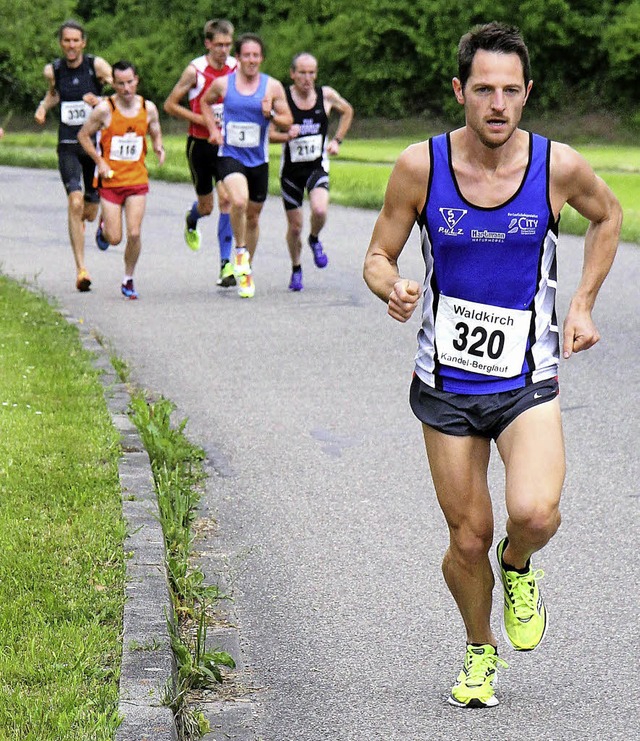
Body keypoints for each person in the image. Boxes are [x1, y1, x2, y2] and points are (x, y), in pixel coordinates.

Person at [363, 22, 621, 709]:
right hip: (446, 383)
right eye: (484, 89)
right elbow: (377, 253)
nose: (498, 103)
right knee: (466, 534)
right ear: (460, 91)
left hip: (527, 376)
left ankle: (520, 562)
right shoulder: (420, 167)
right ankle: (480, 651)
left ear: (527, 93)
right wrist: (391, 285)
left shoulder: (556, 166)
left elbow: (609, 216)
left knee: (534, 511)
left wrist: (584, 304)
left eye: (511, 90)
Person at [201, 33, 292, 298]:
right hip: (230, 155)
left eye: (256, 55)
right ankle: (240, 252)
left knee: (253, 216)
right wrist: (213, 130)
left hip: (258, 160)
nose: (251, 60)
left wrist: (271, 114)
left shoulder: (272, 87)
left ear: (261, 58)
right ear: (237, 58)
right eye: (246, 55)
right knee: (238, 202)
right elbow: (205, 103)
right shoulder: (223, 84)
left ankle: (246, 270)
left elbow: (288, 120)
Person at [34, 20, 112, 292]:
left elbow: (119, 96)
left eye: (75, 40)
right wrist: (43, 107)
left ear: (83, 43)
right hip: (67, 144)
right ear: (61, 43)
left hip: (93, 147)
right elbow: (54, 96)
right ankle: (81, 269)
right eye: (66, 40)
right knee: (75, 202)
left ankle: (101, 221)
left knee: (89, 212)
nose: (70, 45)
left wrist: (100, 102)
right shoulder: (53, 70)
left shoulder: (96, 67)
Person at [78, 60, 165, 299]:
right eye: (120, 84)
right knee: (115, 239)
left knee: (134, 233)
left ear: (137, 80)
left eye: (130, 82)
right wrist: (100, 161)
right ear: (113, 84)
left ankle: (128, 278)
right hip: (111, 181)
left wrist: (158, 147)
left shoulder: (149, 108)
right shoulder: (106, 109)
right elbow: (83, 135)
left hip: (136, 179)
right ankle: (104, 228)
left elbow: (155, 130)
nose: (126, 88)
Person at [163, 18, 238, 288]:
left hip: (226, 145)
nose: (224, 50)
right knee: (207, 207)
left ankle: (225, 265)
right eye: (219, 45)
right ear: (208, 43)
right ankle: (192, 218)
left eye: (228, 44)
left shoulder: (235, 68)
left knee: (227, 199)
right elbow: (170, 104)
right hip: (200, 146)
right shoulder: (195, 71)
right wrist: (200, 120)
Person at [270, 52, 353, 291]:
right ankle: (296, 267)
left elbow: (347, 111)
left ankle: (314, 239)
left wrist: (337, 140)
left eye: (312, 73)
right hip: (291, 172)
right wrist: (287, 135)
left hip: (317, 166)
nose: (307, 78)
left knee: (319, 209)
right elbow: (270, 135)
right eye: (302, 73)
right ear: (292, 74)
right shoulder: (283, 99)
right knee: (295, 227)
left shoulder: (325, 95)